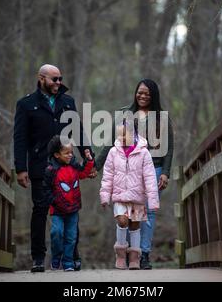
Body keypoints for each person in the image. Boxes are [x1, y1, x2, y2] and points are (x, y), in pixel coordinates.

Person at [13, 64, 96, 273]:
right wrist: (20, 168)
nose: (59, 83)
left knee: (70, 210)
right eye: (54, 79)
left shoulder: (67, 102)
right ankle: (38, 258)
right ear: (41, 78)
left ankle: (72, 256)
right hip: (40, 167)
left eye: (60, 78)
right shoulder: (26, 104)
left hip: (67, 169)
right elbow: (20, 139)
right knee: (40, 210)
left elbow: (78, 131)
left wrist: (89, 156)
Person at [96, 79, 174, 269]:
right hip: (129, 169)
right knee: (127, 213)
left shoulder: (161, 117)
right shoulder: (126, 113)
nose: (142, 96)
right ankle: (130, 253)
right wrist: (96, 165)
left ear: (153, 95)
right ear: (135, 92)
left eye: (147, 93)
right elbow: (111, 143)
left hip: (153, 169)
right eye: (140, 92)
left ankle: (143, 254)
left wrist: (165, 172)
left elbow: (169, 148)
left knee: (148, 213)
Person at [99, 123, 159, 270]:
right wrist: (105, 196)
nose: (122, 138)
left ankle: (134, 259)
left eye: (125, 135)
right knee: (122, 221)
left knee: (135, 225)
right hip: (119, 196)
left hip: (137, 197)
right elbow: (107, 176)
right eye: (120, 135)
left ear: (134, 135)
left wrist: (153, 201)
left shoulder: (143, 153)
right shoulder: (113, 152)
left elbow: (150, 178)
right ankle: (120, 255)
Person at [43, 136, 94, 271]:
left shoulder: (74, 166)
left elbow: (83, 173)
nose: (70, 155)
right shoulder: (51, 170)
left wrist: (89, 161)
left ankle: (68, 262)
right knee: (56, 233)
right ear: (57, 155)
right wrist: (53, 201)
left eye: (71, 152)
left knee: (71, 237)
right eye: (67, 153)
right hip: (57, 210)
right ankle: (56, 256)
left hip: (73, 210)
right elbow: (45, 189)